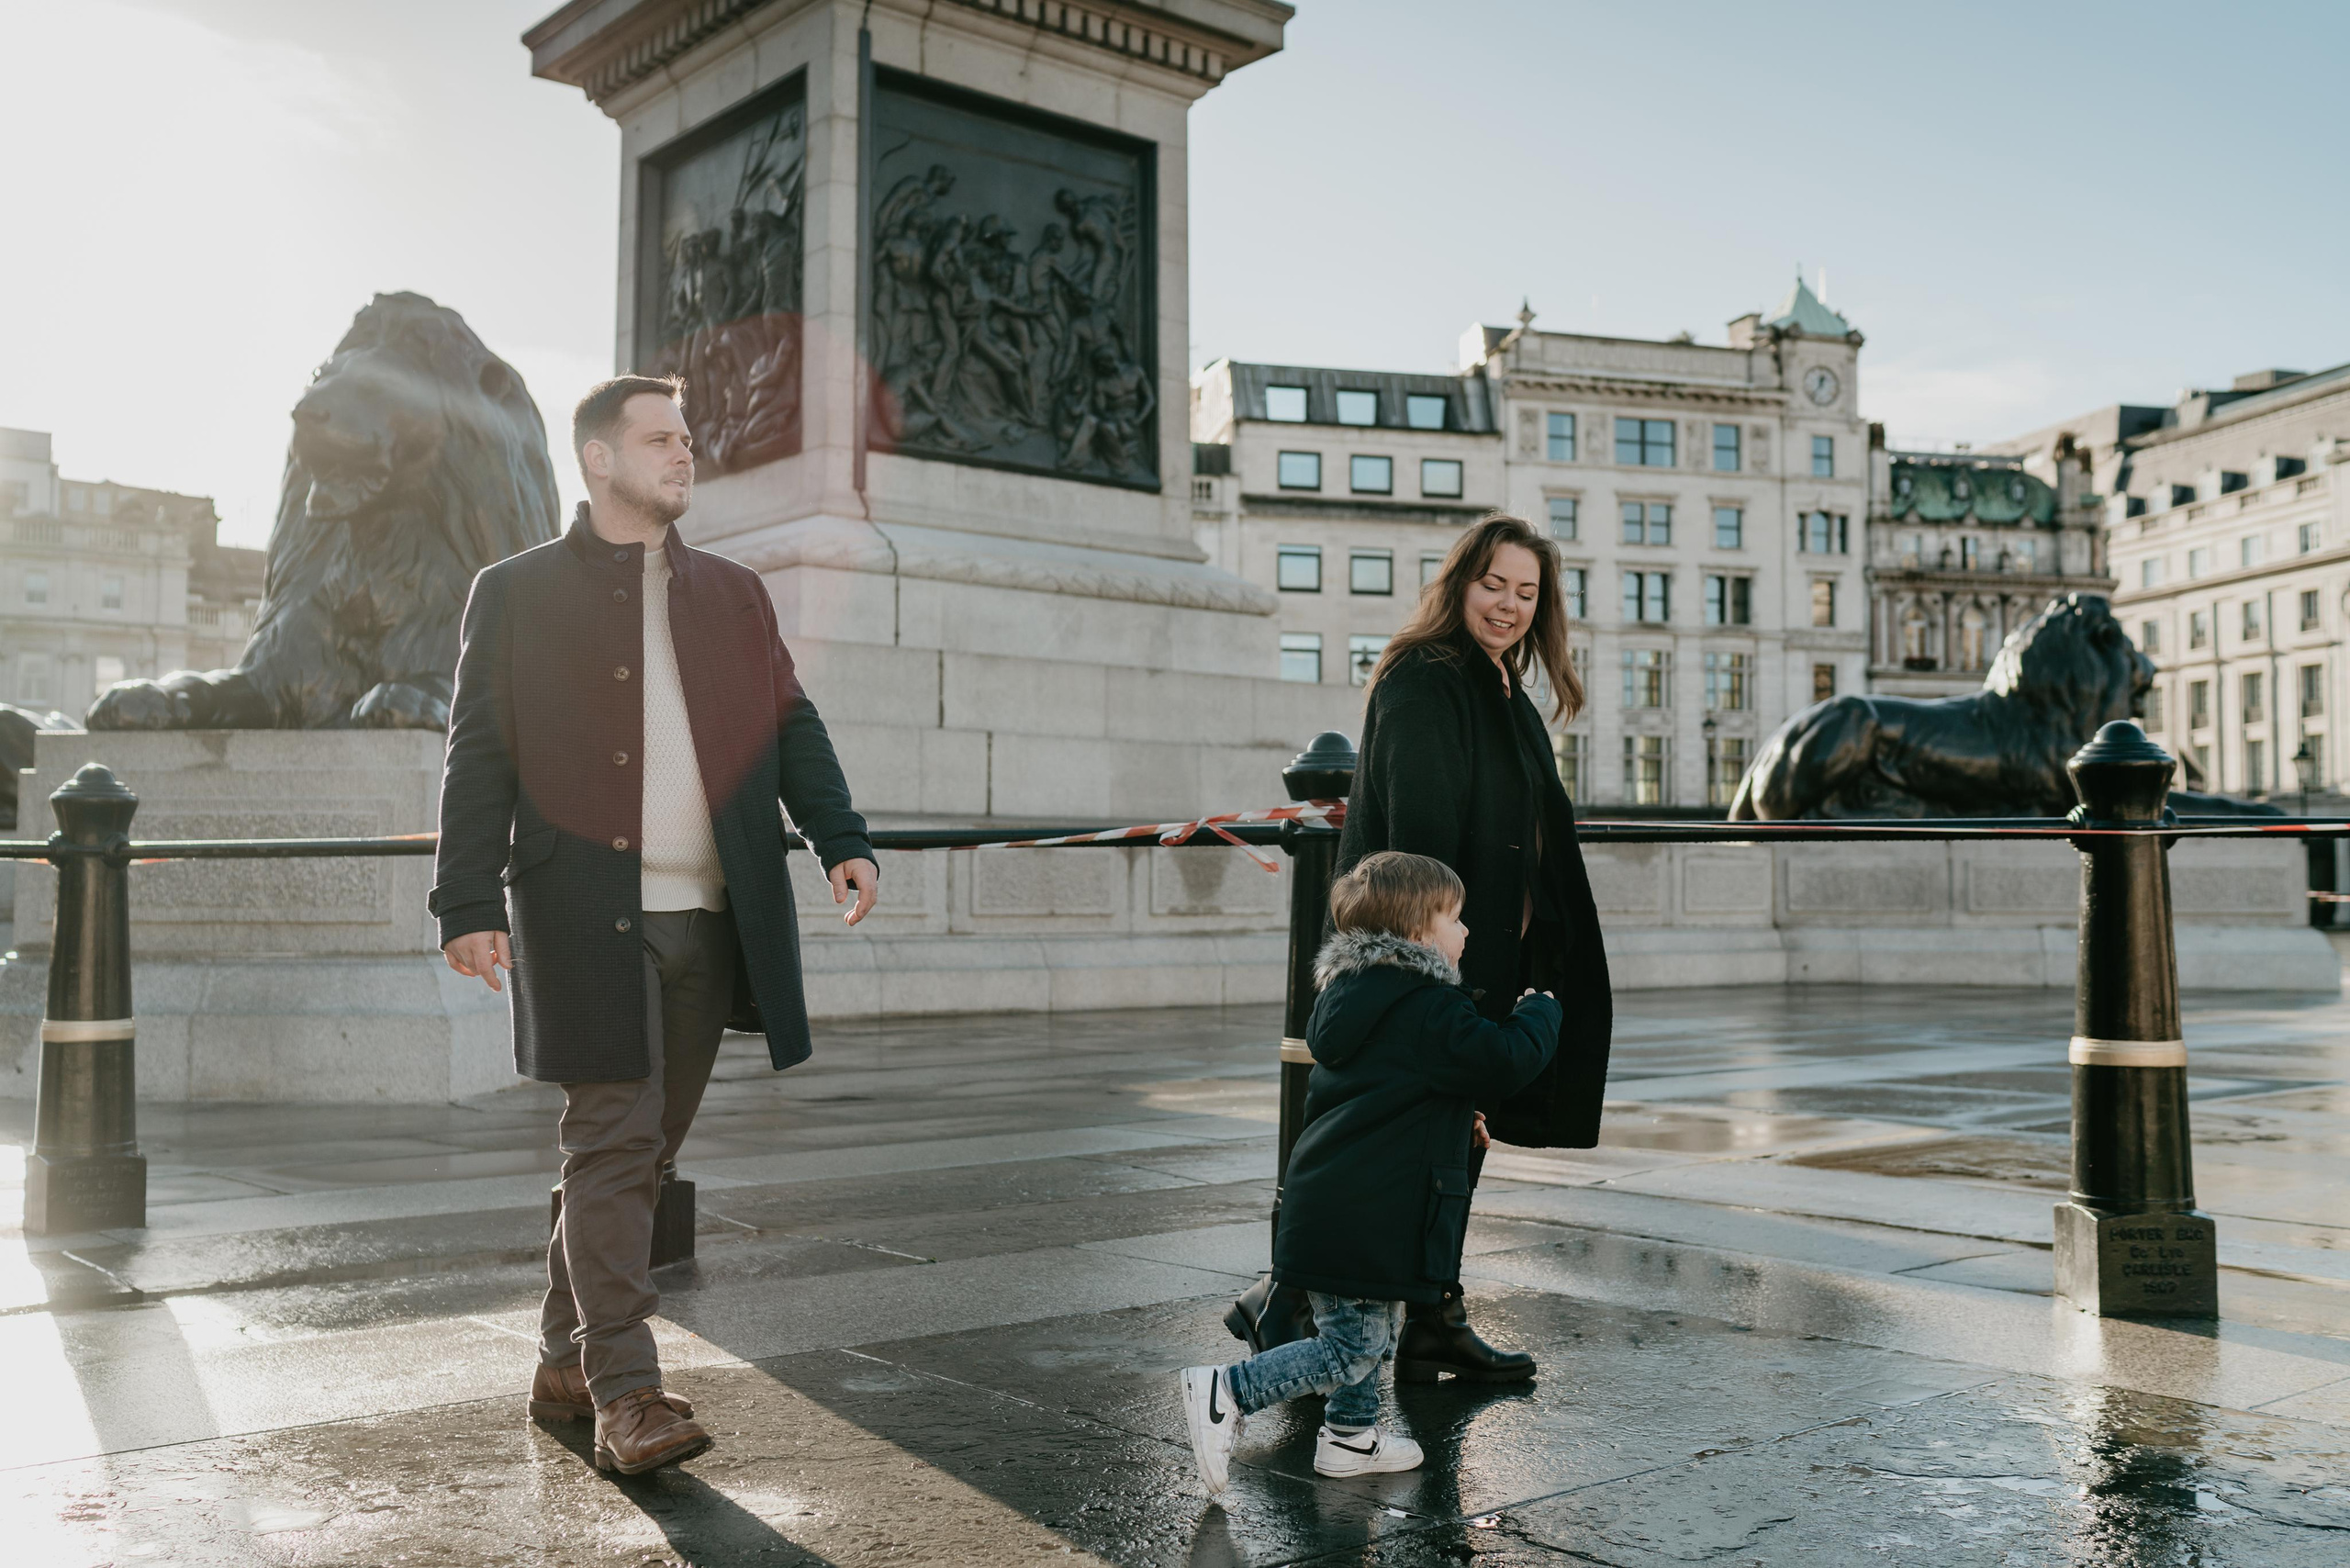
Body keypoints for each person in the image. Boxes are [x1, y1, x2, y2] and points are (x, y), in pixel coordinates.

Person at [431, 374, 878, 1475]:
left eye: (687, 439)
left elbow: (791, 722)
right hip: (585, 916)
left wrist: (841, 835)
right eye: (661, 439)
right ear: (597, 458)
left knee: (636, 1153)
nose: (686, 455)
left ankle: (559, 1358)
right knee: (617, 1138)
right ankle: (627, 1393)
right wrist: (466, 901)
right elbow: (477, 752)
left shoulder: (732, 591)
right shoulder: (516, 590)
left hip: (714, 917)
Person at [1331, 510, 1613, 1382]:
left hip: (1482, 947)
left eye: (1527, 592)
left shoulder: (1497, 684)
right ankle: (1323, 1306)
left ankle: (1428, 1313)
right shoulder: (1427, 675)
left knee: (1459, 1137)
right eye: (1494, 584)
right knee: (1424, 1138)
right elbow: (1418, 837)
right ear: (1459, 583)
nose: (1509, 604)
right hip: (1437, 952)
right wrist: (1442, 960)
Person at [1180, 851, 1559, 1496]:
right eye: (1455, 918)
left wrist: (1450, 1118)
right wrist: (1539, 1012)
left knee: (1370, 1334)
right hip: (1368, 1209)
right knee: (1350, 1347)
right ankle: (1226, 1391)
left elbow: (1393, 1093)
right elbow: (1502, 1059)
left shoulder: (1356, 999)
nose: (1465, 932)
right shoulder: (1431, 1009)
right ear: (1417, 932)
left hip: (1344, 1200)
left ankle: (1351, 1439)